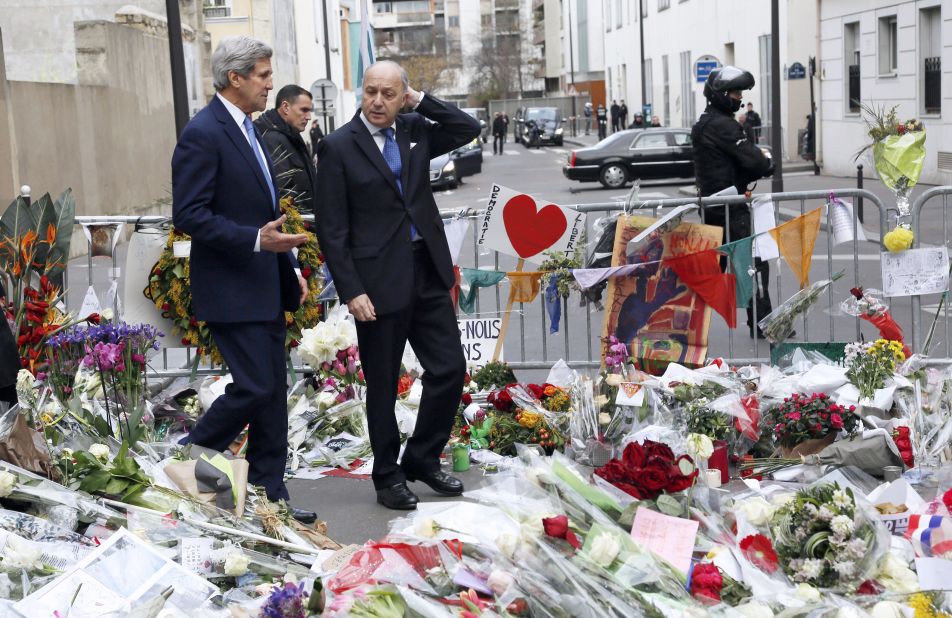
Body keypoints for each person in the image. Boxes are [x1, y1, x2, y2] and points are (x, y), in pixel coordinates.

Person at [314, 60, 479, 511]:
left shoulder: (415, 129)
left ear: (403, 95)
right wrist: (351, 289)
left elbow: (466, 127)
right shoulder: (337, 146)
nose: (378, 101)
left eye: (389, 93)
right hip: (376, 282)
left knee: (448, 368)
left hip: (426, 271)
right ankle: (387, 476)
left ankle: (422, 459)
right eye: (371, 92)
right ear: (360, 93)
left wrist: (420, 101)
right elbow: (332, 228)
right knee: (384, 385)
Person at [171, 36, 315, 522]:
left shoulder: (250, 128)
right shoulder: (203, 132)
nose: (269, 84)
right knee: (254, 388)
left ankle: (271, 499)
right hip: (231, 289)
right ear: (235, 78)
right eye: (262, 75)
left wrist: (288, 266)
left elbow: (268, 211)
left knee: (273, 396)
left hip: (265, 285)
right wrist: (256, 242)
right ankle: (188, 456)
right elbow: (190, 214)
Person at [692, 65, 775, 339]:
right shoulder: (722, 125)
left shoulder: (707, 122)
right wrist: (765, 163)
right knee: (752, 264)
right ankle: (763, 322)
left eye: (740, 92)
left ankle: (685, 326)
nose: (739, 97)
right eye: (734, 92)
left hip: (715, 205)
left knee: (712, 270)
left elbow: (735, 162)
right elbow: (753, 159)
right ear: (720, 94)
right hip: (729, 207)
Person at [255, 84, 317, 215]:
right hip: (296, 227)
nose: (309, 117)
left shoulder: (290, 134)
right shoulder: (272, 139)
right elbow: (282, 193)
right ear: (285, 107)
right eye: (304, 110)